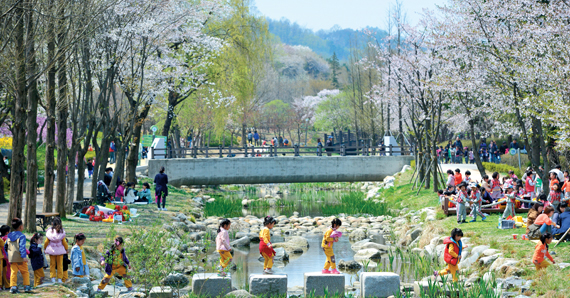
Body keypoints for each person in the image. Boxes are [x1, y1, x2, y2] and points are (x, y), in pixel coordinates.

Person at [4, 218, 31, 293]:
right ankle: (26, 286)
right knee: (25, 272)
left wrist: (8, 255)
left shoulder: (9, 236)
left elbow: (5, 246)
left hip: (12, 258)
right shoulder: (22, 236)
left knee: (13, 272)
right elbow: (22, 247)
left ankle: (13, 287)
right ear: (21, 227)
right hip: (20, 258)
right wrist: (24, 256)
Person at [44, 217, 68, 283]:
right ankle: (60, 278)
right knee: (60, 265)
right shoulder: (62, 232)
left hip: (52, 250)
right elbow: (64, 242)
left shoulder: (49, 232)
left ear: (52, 223)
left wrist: (44, 248)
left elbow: (46, 241)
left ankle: (53, 278)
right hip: (60, 251)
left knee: (52, 264)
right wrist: (66, 249)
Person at [0, 225, 10, 290]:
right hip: (5, 257)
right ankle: (7, 285)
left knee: (1, 272)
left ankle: (1, 285)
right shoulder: (7, 238)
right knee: (6, 271)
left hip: (2, 257)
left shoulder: (0, 238)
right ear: (7, 232)